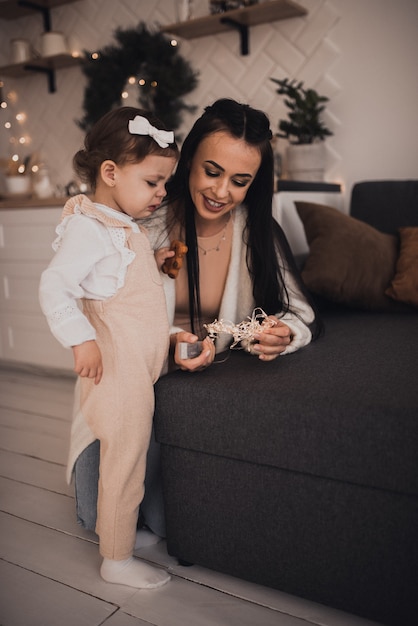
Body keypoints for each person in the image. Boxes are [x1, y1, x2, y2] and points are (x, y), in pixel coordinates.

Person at [69, 98, 322, 542]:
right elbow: (104, 313)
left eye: (240, 181)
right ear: (187, 163)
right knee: (95, 515)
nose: (222, 191)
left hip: (202, 379)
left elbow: (301, 311)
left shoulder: (256, 232)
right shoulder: (144, 227)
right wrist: (169, 340)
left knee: (173, 520)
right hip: (131, 373)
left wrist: (284, 333)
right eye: (212, 171)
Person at [39, 106, 179, 589]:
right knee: (126, 459)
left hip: (136, 370)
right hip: (117, 372)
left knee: (132, 453)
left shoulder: (119, 226)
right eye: (153, 182)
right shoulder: (88, 227)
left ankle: (114, 531)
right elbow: (55, 285)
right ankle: (115, 559)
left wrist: (157, 261)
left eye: (165, 184)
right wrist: (79, 339)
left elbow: (117, 285)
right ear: (111, 173)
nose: (162, 194)